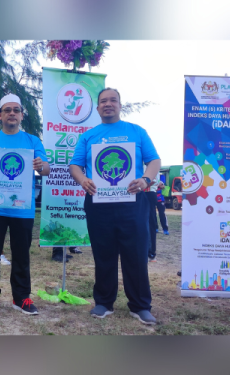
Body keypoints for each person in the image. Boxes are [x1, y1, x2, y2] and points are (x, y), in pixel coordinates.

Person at [68, 88, 161, 325]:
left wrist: (145, 180)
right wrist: (83, 180)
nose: (108, 104)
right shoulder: (88, 136)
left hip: (133, 202)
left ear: (120, 105)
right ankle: (103, 302)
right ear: (97, 108)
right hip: (98, 203)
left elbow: (154, 160)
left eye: (113, 100)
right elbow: (75, 166)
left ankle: (140, 306)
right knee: (103, 253)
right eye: (103, 101)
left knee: (137, 254)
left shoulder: (136, 131)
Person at [0, 93, 50, 315]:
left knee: (21, 253)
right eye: (7, 110)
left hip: (23, 208)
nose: (11, 113)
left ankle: (22, 298)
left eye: (16, 110)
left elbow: (46, 170)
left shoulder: (32, 141)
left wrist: (40, 165)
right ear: (0, 115)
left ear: (21, 116)